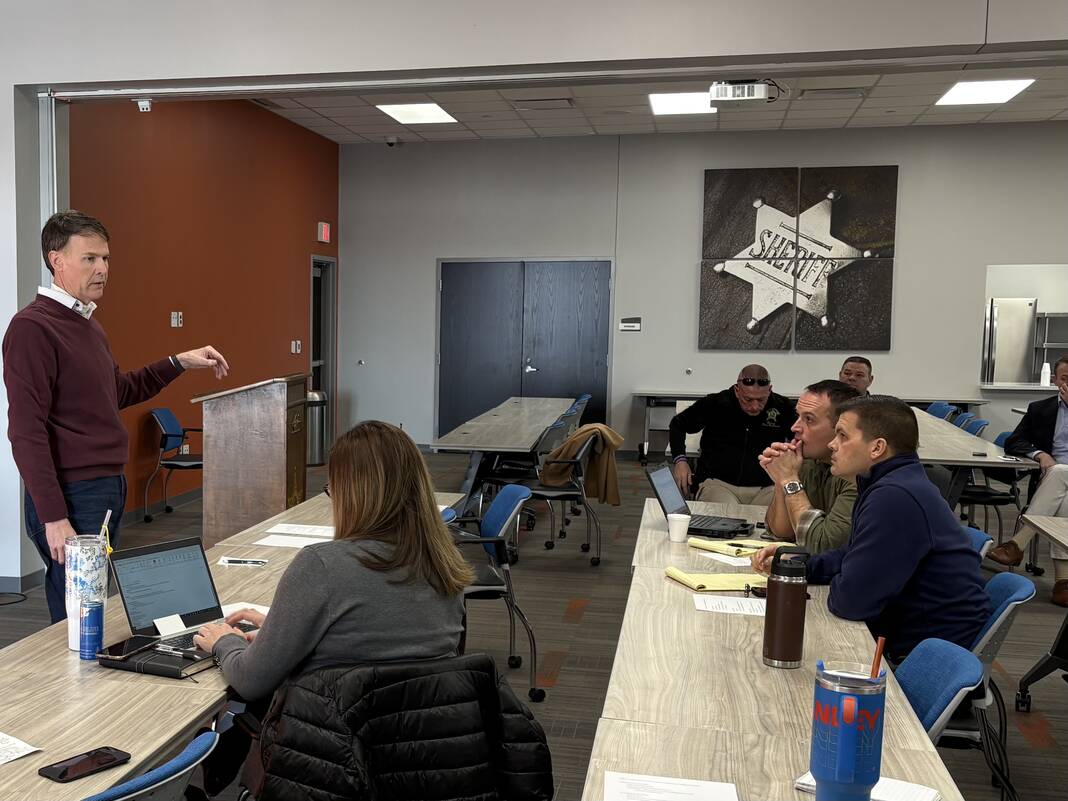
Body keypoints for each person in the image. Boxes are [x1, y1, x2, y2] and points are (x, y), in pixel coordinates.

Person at [192, 420, 472, 795]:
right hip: (427, 756)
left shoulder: (321, 566)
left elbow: (251, 679)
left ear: (352, 493)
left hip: (329, 759)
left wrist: (224, 641)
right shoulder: (444, 562)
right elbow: (380, 635)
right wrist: (282, 625)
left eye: (332, 489)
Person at [2, 210, 229, 623]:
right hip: (73, 495)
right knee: (77, 617)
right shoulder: (32, 328)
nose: (103, 269)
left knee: (90, 611)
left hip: (105, 488)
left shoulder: (87, 324)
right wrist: (54, 517)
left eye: (105, 258)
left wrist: (178, 361)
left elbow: (118, 391)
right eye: (89, 258)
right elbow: (25, 431)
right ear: (57, 261)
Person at [752, 396, 991, 662]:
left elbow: (850, 602)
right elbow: (851, 554)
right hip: (915, 638)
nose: (832, 444)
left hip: (924, 655)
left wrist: (846, 575)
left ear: (877, 448)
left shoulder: (894, 496)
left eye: (842, 436)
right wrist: (797, 564)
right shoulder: (891, 482)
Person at [988, 355, 1068, 606]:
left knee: (1059, 472)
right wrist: (1040, 454)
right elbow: (1013, 441)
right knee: (1064, 498)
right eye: (1065, 378)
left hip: (1054, 477)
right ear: (1055, 381)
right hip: (1054, 484)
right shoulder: (1040, 408)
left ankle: (1017, 544)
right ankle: (1063, 584)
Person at [669, 364, 796, 504]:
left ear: (770, 390)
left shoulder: (783, 407)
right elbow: (678, 424)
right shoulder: (716, 403)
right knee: (725, 512)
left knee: (772, 514)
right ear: (737, 390)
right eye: (748, 399)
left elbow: (801, 438)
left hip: (766, 486)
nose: (754, 406)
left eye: (761, 400)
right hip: (719, 484)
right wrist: (680, 460)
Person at [761, 380, 860, 553]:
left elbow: (823, 547)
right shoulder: (808, 463)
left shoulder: (858, 474)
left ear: (840, 428)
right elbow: (782, 532)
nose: (794, 427)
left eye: (809, 419)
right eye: (798, 416)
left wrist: (789, 479)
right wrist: (782, 477)